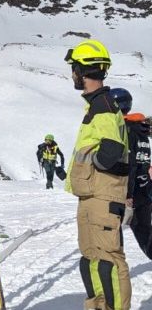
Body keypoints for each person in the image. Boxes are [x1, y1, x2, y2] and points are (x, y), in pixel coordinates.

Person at [64, 40, 131, 309]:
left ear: (83, 70)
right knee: (91, 258)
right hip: (92, 195)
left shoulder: (103, 105)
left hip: (103, 195)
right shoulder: (96, 105)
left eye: (74, 69)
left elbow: (111, 150)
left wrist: (90, 163)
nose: (72, 75)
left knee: (109, 260)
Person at [110, 88, 152, 259]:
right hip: (145, 188)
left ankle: (112, 266)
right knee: (145, 231)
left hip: (131, 190)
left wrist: (127, 194)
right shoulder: (140, 130)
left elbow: (131, 164)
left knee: (112, 229)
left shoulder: (125, 130)